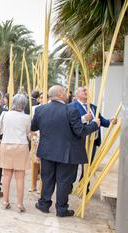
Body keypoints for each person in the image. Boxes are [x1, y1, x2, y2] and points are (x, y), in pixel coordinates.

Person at [31, 85, 100, 217]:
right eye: (65, 92)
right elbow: (80, 131)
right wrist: (94, 125)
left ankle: (44, 204)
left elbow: (34, 127)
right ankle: (61, 209)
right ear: (61, 94)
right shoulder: (71, 110)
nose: (68, 94)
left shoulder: (40, 110)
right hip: (66, 153)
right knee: (64, 181)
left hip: (47, 151)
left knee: (47, 178)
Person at [69, 87, 116, 182]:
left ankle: (84, 185)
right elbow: (70, 122)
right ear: (77, 94)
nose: (86, 92)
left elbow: (101, 121)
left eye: (87, 90)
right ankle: (69, 185)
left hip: (93, 140)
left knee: (88, 164)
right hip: (79, 140)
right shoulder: (71, 106)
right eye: (84, 90)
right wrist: (83, 118)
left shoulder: (94, 107)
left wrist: (110, 121)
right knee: (74, 164)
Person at [0, 94, 31, 212]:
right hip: (21, 146)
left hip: (6, 145)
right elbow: (28, 132)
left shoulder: (4, 114)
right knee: (20, 177)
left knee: (6, 176)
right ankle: (20, 204)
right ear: (24, 105)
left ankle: (5, 201)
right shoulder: (27, 117)